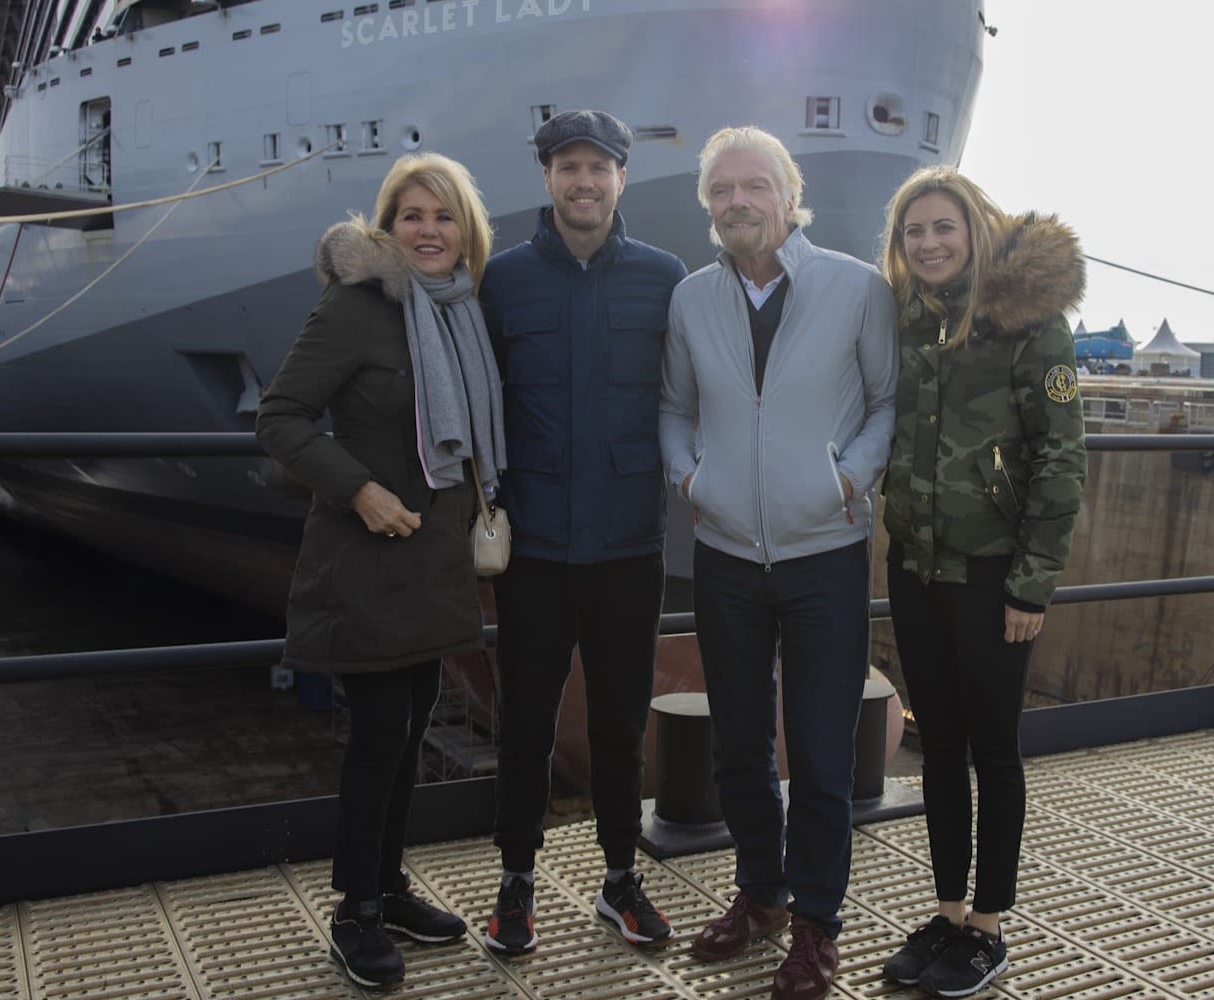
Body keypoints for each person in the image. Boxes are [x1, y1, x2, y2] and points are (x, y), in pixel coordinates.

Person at [256, 152, 504, 990]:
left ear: (465, 229)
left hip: (432, 557)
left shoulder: (463, 310)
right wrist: (358, 489)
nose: (428, 231)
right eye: (412, 216)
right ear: (387, 227)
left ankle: (390, 887)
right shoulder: (356, 307)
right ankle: (354, 910)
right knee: (377, 736)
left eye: (443, 217)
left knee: (411, 722)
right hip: (365, 552)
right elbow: (280, 417)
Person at [659, 126, 897, 1000]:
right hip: (724, 552)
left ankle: (816, 927)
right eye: (720, 191)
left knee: (824, 752)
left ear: (789, 198)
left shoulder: (856, 288)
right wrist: (690, 476)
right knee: (739, 742)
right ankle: (759, 895)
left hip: (825, 553)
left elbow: (883, 401)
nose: (735, 203)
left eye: (753, 186)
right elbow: (675, 407)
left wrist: (851, 476)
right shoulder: (691, 300)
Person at [477, 109, 687, 953]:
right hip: (531, 548)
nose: (584, 181)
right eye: (568, 166)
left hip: (631, 548)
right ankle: (516, 885)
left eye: (599, 167)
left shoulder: (665, 278)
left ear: (622, 179)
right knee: (525, 721)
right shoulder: (503, 280)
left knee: (619, 723)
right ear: (547, 178)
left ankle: (618, 879)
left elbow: (693, 393)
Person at [875, 166, 1086, 997]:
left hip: (995, 575)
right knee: (940, 748)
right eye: (912, 232)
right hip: (917, 567)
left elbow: (1062, 460)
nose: (927, 244)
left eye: (942, 228)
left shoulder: (1031, 326)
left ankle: (991, 928)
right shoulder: (904, 320)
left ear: (975, 229)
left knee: (995, 752)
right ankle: (948, 911)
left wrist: (1032, 586)